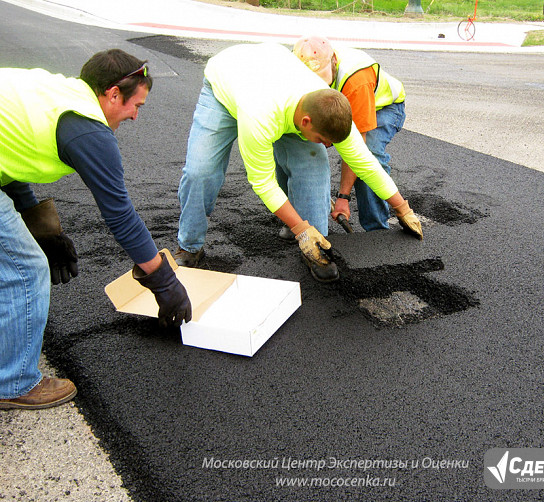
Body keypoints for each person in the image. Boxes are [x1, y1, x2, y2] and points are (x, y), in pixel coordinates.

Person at [0, 49, 192, 410]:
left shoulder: (60, 94)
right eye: (137, 105)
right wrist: (162, 279)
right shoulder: (87, 129)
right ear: (113, 93)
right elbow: (119, 214)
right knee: (24, 270)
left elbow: (7, 154)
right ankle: (13, 383)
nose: (135, 116)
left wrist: (40, 225)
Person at [175, 42, 422, 283]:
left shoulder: (328, 108)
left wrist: (402, 208)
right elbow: (263, 182)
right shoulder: (259, 116)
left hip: (279, 86)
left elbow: (365, 163)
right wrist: (299, 229)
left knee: (314, 164)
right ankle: (190, 246)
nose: (326, 144)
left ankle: (317, 248)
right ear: (305, 122)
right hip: (226, 85)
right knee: (201, 172)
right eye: (322, 139)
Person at [293, 35, 407, 232]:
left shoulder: (355, 81)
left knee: (369, 156)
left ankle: (376, 229)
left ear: (333, 61)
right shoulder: (298, 64)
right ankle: (303, 217)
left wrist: (343, 198)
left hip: (383, 107)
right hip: (335, 107)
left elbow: (357, 152)